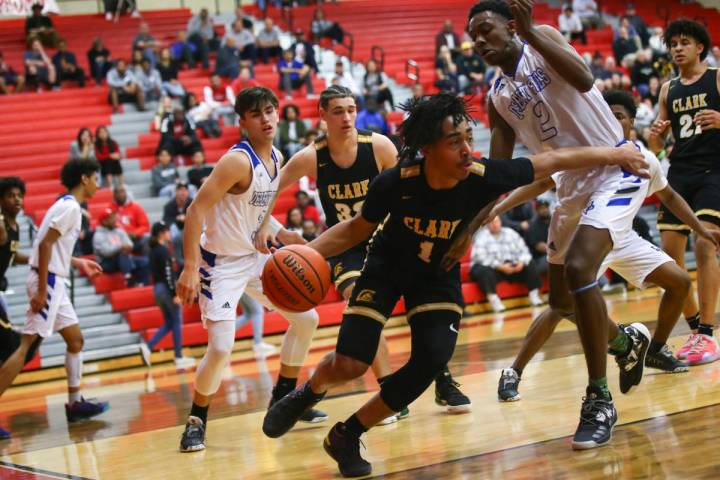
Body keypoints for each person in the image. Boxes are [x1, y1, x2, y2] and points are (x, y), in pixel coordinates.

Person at [261, 92, 649, 476]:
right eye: (455, 142)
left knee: (431, 360)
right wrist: (305, 253)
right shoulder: (396, 181)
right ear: (428, 148)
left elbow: (552, 160)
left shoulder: (481, 174)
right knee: (350, 362)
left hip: (436, 275)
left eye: (468, 137)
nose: (467, 149)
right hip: (386, 266)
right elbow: (356, 229)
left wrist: (616, 154)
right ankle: (307, 393)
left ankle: (348, 433)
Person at [456, 0, 653, 450]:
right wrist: (470, 219)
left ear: (511, 25)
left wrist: (532, 33)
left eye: (486, 30)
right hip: (568, 186)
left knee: (583, 271)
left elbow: (584, 80)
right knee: (563, 301)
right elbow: (500, 169)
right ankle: (624, 345)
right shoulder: (498, 97)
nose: (479, 42)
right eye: (473, 38)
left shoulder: (542, 41)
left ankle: (598, 400)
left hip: (616, 167)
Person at [259, 86, 473, 428]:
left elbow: (416, 184)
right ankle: (390, 389)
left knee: (423, 313)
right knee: (361, 303)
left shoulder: (379, 146)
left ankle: (442, 381)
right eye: (338, 111)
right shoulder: (312, 156)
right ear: (322, 115)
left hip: (391, 239)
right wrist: (272, 229)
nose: (346, 117)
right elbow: (270, 189)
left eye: (351, 109)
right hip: (347, 246)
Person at [493, 89, 719, 403]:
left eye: (620, 116)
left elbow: (669, 197)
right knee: (560, 306)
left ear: (630, 123)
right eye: (607, 114)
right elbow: (540, 184)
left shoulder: (645, 158)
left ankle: (652, 350)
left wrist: (700, 229)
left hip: (622, 238)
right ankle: (515, 370)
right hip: (587, 237)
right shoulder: (583, 156)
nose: (612, 119)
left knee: (680, 282)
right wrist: (497, 208)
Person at [175, 87, 324, 453]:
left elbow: (254, 211)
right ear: (243, 122)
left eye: (271, 110)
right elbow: (195, 211)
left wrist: (281, 232)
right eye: (257, 114)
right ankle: (196, 420)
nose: (268, 118)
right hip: (220, 265)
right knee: (222, 347)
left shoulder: (275, 156)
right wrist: (190, 267)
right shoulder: (236, 162)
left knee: (307, 319)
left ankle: (284, 399)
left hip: (252, 259)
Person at [0, 159, 109, 422]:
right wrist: (40, 291)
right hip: (47, 282)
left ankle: (74, 404)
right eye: (95, 178)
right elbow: (45, 247)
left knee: (75, 340)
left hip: (53, 280)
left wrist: (77, 261)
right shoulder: (70, 207)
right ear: (84, 179)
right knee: (25, 346)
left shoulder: (64, 204)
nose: (97, 183)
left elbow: (46, 245)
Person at [649, 19, 720, 365]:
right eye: (673, 43)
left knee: (706, 243)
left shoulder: (717, 78)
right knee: (669, 255)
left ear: (700, 47)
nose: (677, 48)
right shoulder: (667, 89)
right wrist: (657, 134)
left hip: (714, 173)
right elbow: (658, 144)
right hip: (679, 174)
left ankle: (707, 332)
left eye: (684, 42)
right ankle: (694, 328)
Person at [0, 177, 40, 439]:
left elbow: (12, 257)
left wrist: (45, 257)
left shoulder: (14, 227)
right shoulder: (2, 225)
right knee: (16, 349)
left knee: (15, 351)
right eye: (11, 195)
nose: (17, 199)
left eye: (20, 195)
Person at [144, 221, 195, 368]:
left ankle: (148, 347)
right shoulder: (163, 250)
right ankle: (178, 356)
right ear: (161, 233)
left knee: (169, 322)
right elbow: (168, 274)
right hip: (166, 289)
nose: (169, 234)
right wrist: (175, 294)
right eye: (167, 231)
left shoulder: (152, 250)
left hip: (157, 289)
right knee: (177, 321)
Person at [470, 216, 543, 312]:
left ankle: (534, 295)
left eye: (496, 221)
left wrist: (521, 262)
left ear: (500, 222)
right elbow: (481, 257)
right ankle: (494, 300)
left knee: (530, 263)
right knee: (482, 270)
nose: (494, 224)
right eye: (491, 222)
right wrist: (500, 267)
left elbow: (524, 251)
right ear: (487, 224)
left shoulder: (511, 233)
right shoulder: (481, 236)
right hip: (494, 269)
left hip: (513, 267)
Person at [93, 208, 149, 287]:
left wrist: (126, 247)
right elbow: (106, 252)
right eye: (111, 218)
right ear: (104, 221)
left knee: (145, 261)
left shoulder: (119, 231)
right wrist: (121, 247)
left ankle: (142, 284)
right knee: (122, 255)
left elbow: (130, 244)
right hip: (106, 263)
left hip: (124, 258)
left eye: (114, 217)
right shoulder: (98, 235)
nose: (114, 219)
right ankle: (128, 277)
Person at [112, 184, 149, 253]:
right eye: (117, 192)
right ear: (113, 195)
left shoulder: (136, 207)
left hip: (134, 239)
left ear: (126, 193)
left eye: (122, 191)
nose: (120, 194)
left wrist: (134, 233)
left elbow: (145, 226)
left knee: (147, 238)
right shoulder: (109, 209)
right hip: (117, 240)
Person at [526, 199, 551, 275]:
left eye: (546, 207)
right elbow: (541, 247)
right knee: (557, 261)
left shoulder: (553, 220)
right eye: (541, 208)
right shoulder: (533, 225)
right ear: (536, 210)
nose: (544, 210)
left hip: (552, 254)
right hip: (538, 259)